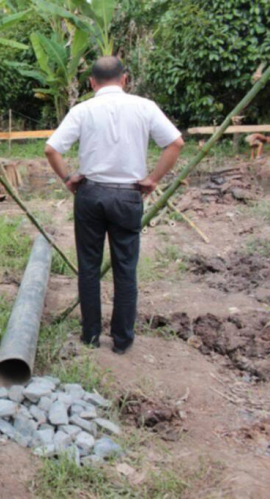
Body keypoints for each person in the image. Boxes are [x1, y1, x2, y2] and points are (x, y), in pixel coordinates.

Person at [44, 56, 184, 354]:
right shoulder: (144, 107)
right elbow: (175, 143)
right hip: (128, 196)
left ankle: (91, 336)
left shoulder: (82, 110)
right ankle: (122, 340)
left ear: (91, 83)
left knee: (89, 268)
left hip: (91, 195)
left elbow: (51, 149)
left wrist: (68, 178)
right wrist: (153, 179)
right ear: (124, 79)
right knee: (125, 268)